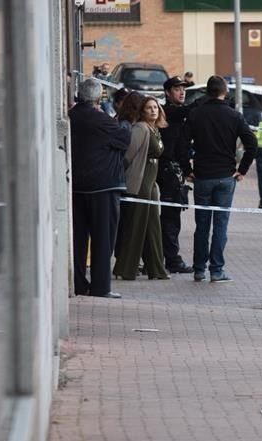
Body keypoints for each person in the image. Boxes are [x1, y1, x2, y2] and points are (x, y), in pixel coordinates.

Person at [183, 75, 258, 283]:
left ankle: (199, 269)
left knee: (202, 225)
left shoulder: (197, 114)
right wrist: (242, 169)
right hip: (226, 176)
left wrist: (186, 169)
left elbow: (182, 144)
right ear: (225, 92)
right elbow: (252, 143)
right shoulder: (234, 116)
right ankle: (217, 270)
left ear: (207, 92)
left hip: (202, 176)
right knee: (221, 225)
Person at [69, 78, 131, 298]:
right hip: (103, 186)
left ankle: (77, 283)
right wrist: (124, 122)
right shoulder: (101, 120)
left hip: (76, 187)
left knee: (77, 238)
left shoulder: (72, 116)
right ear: (97, 98)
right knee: (103, 239)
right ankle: (101, 286)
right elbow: (124, 139)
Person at [112, 94, 170, 281]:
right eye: (149, 108)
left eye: (156, 107)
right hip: (140, 183)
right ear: (142, 112)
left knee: (153, 227)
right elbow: (127, 156)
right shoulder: (140, 128)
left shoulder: (155, 130)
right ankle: (125, 269)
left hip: (151, 184)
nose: (153, 110)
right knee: (136, 226)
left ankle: (157, 269)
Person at [158, 76, 194, 274]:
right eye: (177, 89)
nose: (182, 92)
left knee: (172, 217)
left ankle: (168, 257)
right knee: (168, 218)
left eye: (183, 89)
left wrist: (188, 171)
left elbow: (182, 148)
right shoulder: (167, 112)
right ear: (167, 92)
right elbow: (183, 111)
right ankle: (170, 259)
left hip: (175, 172)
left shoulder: (180, 114)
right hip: (165, 172)